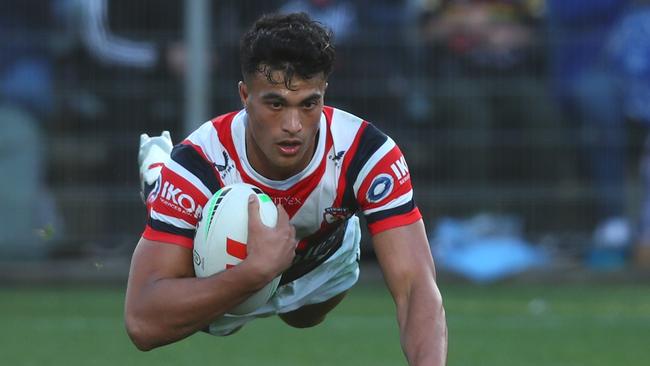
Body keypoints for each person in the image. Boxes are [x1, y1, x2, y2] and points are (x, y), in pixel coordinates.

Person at [125, 12, 447, 365]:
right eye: (275, 103)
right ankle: (160, 181)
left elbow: (417, 287)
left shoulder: (366, 154)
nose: (293, 125)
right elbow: (142, 323)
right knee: (216, 317)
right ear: (245, 95)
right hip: (227, 271)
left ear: (324, 94)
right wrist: (256, 272)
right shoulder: (198, 163)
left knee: (304, 317)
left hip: (322, 256)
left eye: (308, 103)